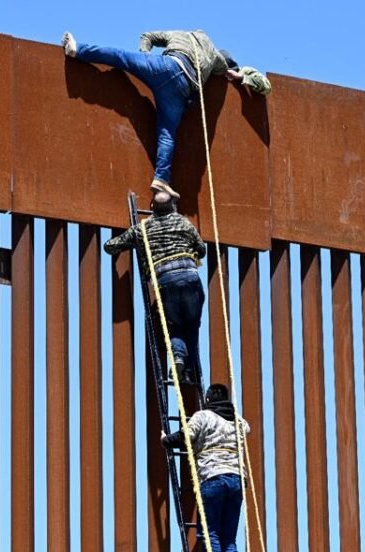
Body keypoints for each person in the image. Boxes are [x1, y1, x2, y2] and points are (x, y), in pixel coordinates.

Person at [61, 29, 270, 198]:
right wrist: (242, 76)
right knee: (167, 133)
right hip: (183, 88)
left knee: (121, 57)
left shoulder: (178, 34)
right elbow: (229, 72)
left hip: (166, 67)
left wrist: (144, 58)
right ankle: (161, 178)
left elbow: (147, 36)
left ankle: (77, 50)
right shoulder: (216, 56)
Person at [103, 191, 206, 382]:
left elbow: (110, 246)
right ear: (172, 205)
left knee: (174, 325)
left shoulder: (142, 228)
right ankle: (188, 370)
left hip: (165, 281)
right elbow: (202, 250)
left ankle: (177, 358)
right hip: (190, 278)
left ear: (152, 207)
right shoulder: (183, 223)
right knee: (192, 326)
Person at [161, 383, 250, 552]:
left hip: (213, 476)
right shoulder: (237, 420)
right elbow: (247, 428)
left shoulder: (203, 416)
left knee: (210, 534)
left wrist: (166, 440)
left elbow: (185, 436)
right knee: (229, 538)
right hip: (236, 479)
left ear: (208, 399)